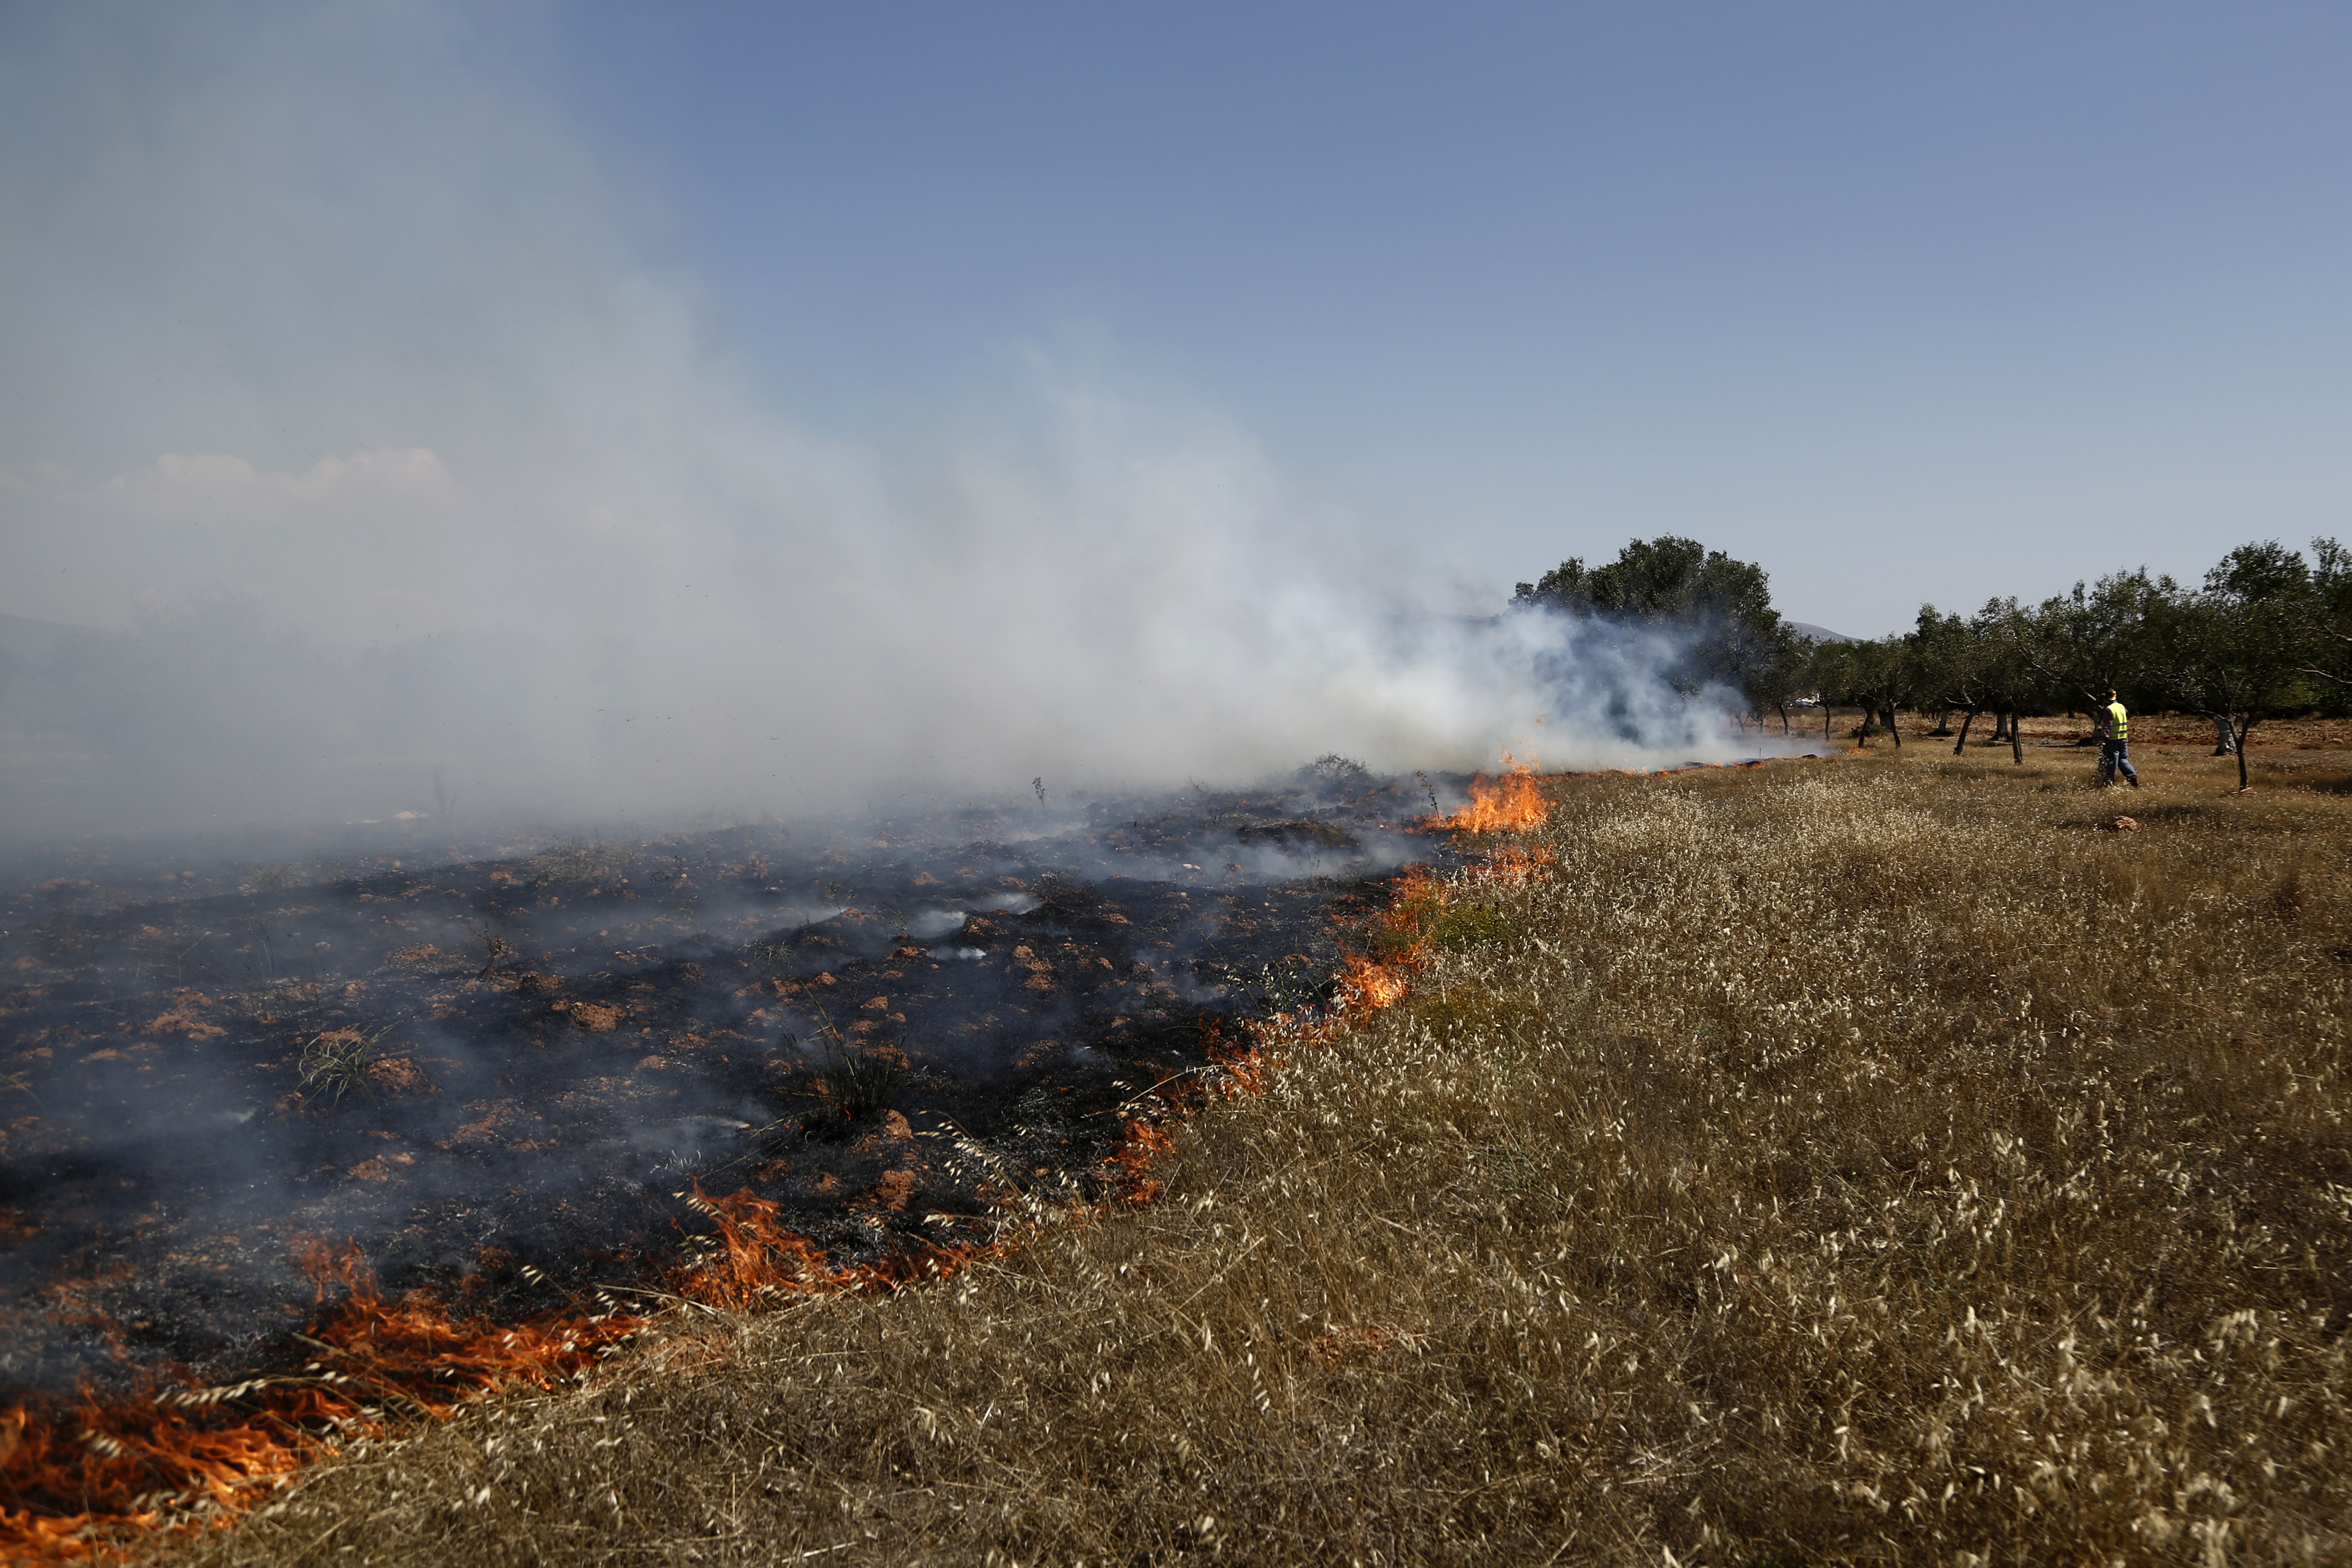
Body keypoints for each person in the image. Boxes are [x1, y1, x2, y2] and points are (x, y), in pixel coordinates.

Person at [2095, 689, 2139, 789]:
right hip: (2123, 738)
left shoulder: (2108, 709)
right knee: (2122, 759)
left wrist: (2104, 739)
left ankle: (2109, 783)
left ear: (2106, 698)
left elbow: (2108, 725)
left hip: (2112, 740)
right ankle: (2132, 776)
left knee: (2111, 761)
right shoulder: (2121, 707)